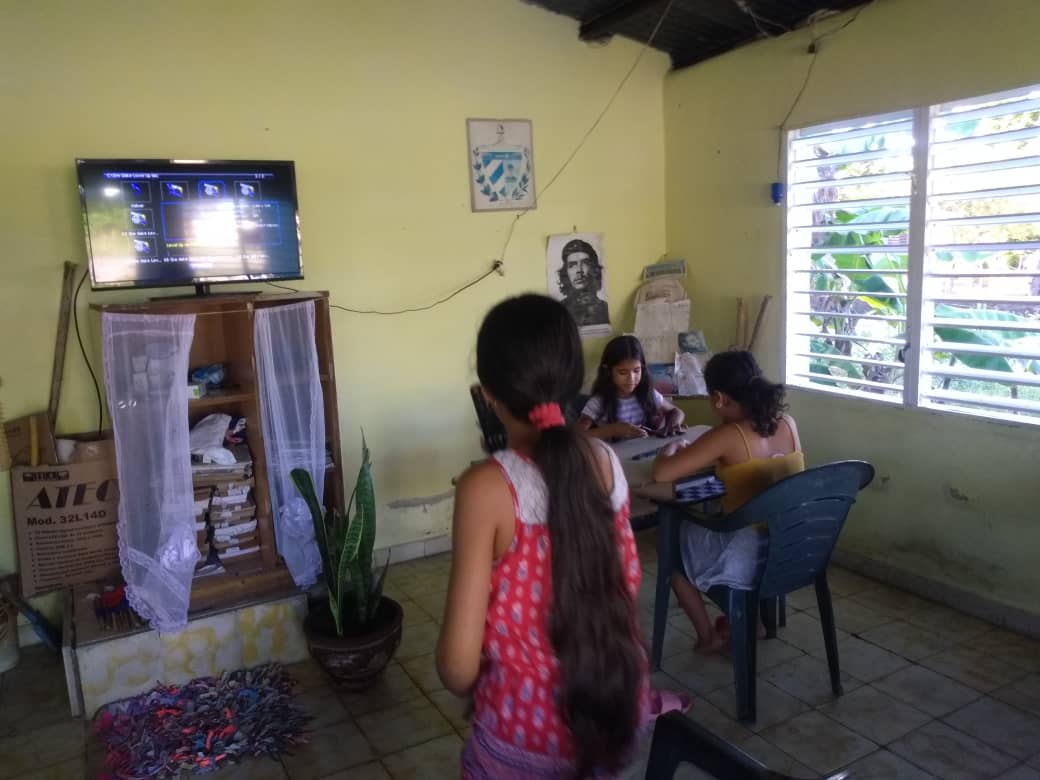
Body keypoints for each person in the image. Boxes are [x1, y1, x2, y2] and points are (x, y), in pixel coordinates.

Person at [437, 294, 686, 780]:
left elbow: (457, 669)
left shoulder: (486, 488)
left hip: (524, 741)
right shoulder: (605, 462)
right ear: (576, 380)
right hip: (618, 719)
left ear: (487, 393)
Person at [650, 351, 803, 654]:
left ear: (719, 398)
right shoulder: (787, 422)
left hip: (750, 552)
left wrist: (671, 448)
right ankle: (750, 620)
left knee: (671, 551)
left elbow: (662, 473)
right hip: (793, 545)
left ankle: (708, 636)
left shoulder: (727, 435)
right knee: (718, 527)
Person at [577, 335, 685, 441]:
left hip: (642, 452)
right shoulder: (599, 402)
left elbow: (676, 411)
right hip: (612, 456)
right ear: (608, 371)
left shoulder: (647, 393)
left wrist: (672, 425)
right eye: (622, 372)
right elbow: (576, 437)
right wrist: (613, 430)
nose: (631, 379)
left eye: (637, 371)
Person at [557, 239, 609, 328]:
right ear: (566, 272)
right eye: (572, 265)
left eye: (585, 263)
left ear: (593, 269)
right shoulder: (559, 310)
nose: (579, 270)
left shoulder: (604, 308)